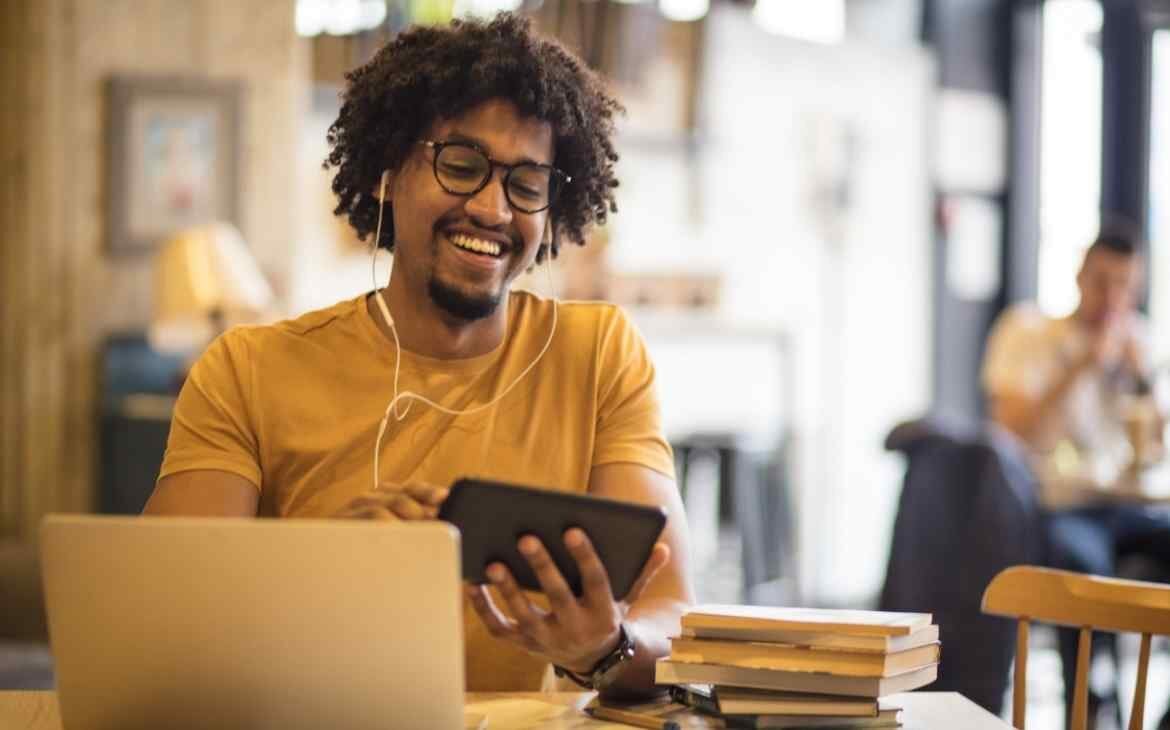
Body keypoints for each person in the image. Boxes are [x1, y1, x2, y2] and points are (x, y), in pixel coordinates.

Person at [143, 13, 694, 700]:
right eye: (460, 165)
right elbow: (161, 623)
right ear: (386, 171)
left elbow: (674, 616)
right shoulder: (247, 369)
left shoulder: (600, 356)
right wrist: (313, 567)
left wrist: (606, 648)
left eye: (526, 184)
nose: (493, 209)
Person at [982, 223, 1170, 728]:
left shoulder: (1143, 344)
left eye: (1126, 286)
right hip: (1064, 505)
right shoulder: (1032, 333)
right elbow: (1008, 427)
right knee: (1079, 565)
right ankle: (1085, 699)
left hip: (1133, 505)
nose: (1113, 298)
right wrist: (1081, 365)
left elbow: (1156, 450)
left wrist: (1145, 380)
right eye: (1103, 282)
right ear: (1080, 275)